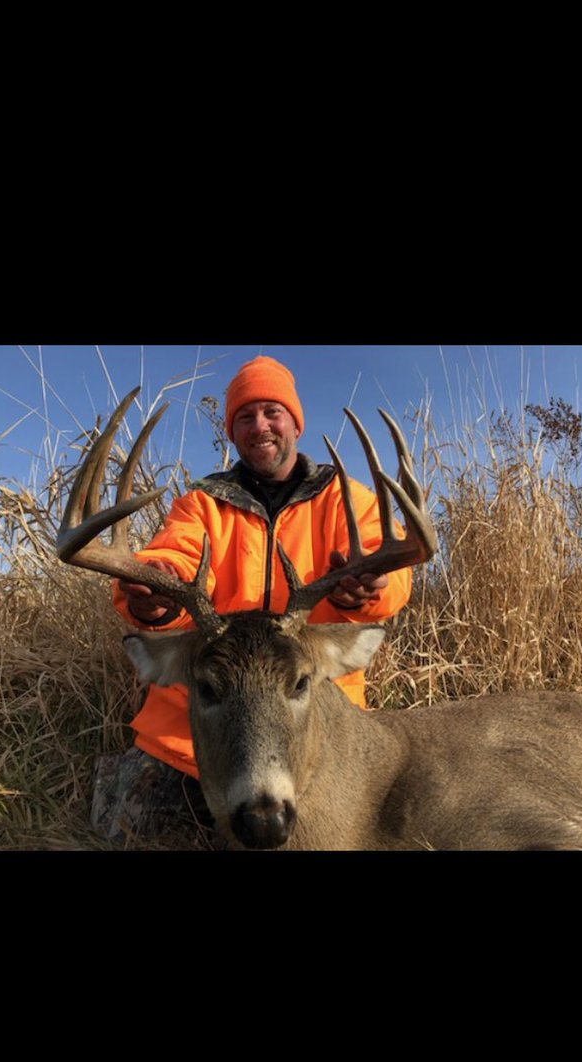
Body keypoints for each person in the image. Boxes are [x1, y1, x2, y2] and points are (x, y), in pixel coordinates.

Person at [97, 355, 413, 845]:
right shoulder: (202, 504)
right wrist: (154, 592)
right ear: (232, 431)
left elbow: (391, 576)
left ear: (295, 423)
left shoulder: (347, 500)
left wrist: (370, 588)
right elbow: (174, 553)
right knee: (126, 832)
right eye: (245, 416)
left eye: (272, 412)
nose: (260, 425)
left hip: (313, 718)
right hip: (194, 721)